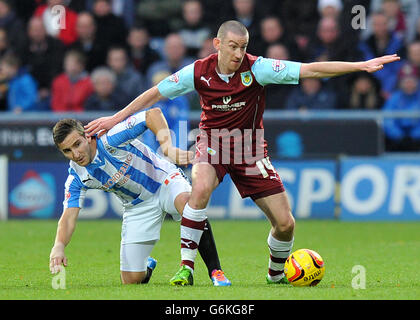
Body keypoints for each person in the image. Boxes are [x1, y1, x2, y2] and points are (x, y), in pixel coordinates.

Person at [84, 20, 400, 286]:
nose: (239, 53)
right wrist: (115, 119)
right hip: (212, 142)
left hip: (250, 149)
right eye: (233, 46)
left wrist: (359, 65)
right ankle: (187, 268)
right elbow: (154, 93)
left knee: (286, 224)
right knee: (201, 188)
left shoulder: (258, 68)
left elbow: (310, 70)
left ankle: (275, 275)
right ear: (217, 43)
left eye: (243, 47)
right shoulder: (197, 72)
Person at [49, 108, 231, 286]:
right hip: (137, 207)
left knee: (188, 204)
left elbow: (153, 114)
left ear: (87, 136)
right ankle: (147, 265)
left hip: (164, 182)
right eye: (67, 151)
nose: (76, 154)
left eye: (77, 144)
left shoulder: (110, 138)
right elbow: (68, 216)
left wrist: (167, 148)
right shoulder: (76, 177)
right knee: (131, 280)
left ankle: (216, 271)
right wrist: (59, 245)